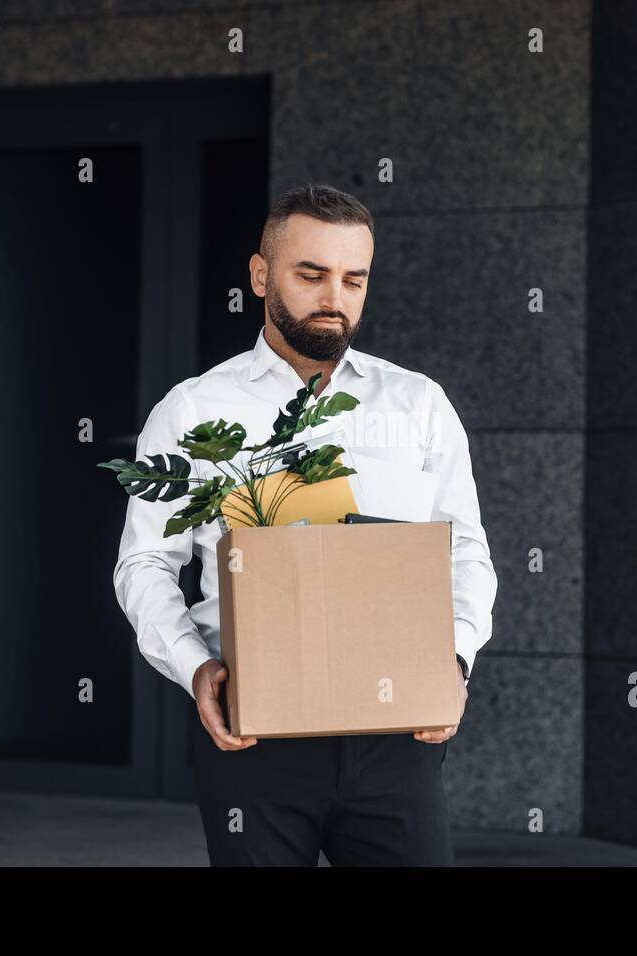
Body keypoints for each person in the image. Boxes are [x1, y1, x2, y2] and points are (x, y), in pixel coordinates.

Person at [112, 183, 497, 865]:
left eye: (354, 279)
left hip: (397, 731)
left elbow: (465, 553)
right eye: (311, 273)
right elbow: (146, 565)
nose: (334, 297)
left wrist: (455, 659)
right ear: (261, 275)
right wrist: (196, 668)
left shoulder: (419, 405)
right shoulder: (194, 410)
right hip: (252, 732)